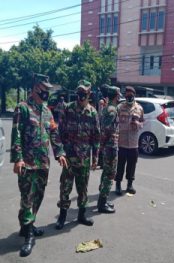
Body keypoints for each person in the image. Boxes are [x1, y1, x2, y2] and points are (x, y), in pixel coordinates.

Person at [11, 73, 67, 257]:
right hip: (27, 163)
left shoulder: (47, 111)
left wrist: (59, 153)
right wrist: (18, 158)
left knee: (38, 196)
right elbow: (16, 134)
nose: (47, 93)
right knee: (27, 197)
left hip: (43, 163)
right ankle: (29, 236)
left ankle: (27, 224)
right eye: (45, 89)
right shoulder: (23, 108)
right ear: (36, 88)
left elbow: (54, 134)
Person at [55, 80, 101, 230]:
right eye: (79, 94)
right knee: (65, 188)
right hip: (69, 158)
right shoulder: (67, 109)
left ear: (89, 95)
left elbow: (96, 137)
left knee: (83, 188)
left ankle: (82, 215)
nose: (81, 97)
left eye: (84, 94)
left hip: (84, 158)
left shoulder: (93, 112)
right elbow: (59, 133)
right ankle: (62, 217)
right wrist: (60, 153)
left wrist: (95, 158)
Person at [115, 86, 144, 195]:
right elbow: (115, 123)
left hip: (133, 143)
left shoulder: (139, 108)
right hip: (121, 142)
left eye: (130, 95)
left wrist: (138, 124)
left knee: (132, 165)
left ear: (134, 95)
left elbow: (142, 123)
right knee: (120, 165)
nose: (128, 97)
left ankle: (129, 184)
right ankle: (118, 185)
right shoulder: (120, 107)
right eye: (126, 95)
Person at [97, 86, 120, 213]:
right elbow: (106, 130)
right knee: (110, 174)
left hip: (108, 146)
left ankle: (102, 200)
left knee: (106, 173)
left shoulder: (109, 108)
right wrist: (103, 146)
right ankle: (102, 203)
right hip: (110, 147)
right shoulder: (112, 110)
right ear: (116, 96)